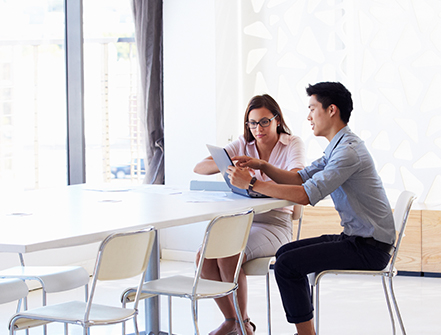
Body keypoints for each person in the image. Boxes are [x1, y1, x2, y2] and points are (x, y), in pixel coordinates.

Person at [226, 82, 395, 335]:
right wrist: (262, 165)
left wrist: (251, 182)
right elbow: (300, 178)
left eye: (312, 109)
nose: (308, 116)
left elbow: (305, 195)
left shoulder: (348, 152)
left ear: (331, 110)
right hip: (358, 238)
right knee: (285, 253)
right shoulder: (339, 146)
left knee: (287, 265)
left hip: (369, 248)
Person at [194, 94, 306, 335]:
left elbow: (297, 177)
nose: (258, 129)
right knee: (203, 257)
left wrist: (258, 171)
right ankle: (232, 321)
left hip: (276, 224)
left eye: (264, 121)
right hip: (246, 221)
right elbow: (200, 167)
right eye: (252, 123)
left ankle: (242, 324)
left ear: (277, 120)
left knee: (227, 254)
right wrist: (228, 162)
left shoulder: (292, 143)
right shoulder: (243, 144)